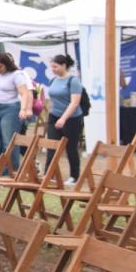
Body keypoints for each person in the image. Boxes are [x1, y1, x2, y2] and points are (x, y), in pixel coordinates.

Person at [0, 52, 33, 172]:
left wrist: (24, 109)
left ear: (7, 65)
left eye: (0, 66)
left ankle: (11, 170)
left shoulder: (16, 75)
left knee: (9, 141)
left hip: (11, 109)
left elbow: (24, 93)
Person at [45, 54, 84, 183]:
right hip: (54, 116)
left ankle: (74, 176)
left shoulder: (73, 81)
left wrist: (63, 118)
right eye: (52, 67)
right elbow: (52, 99)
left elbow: (75, 103)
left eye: (55, 67)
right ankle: (49, 175)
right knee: (51, 146)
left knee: (71, 148)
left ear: (64, 65)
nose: (53, 69)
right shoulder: (53, 80)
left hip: (72, 118)